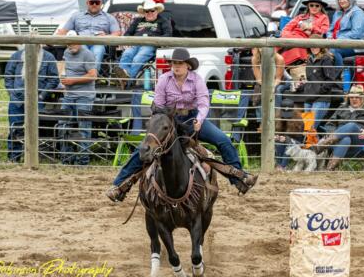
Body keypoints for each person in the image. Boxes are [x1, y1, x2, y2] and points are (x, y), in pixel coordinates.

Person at [105, 48, 258, 202]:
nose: (176, 66)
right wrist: (162, 122)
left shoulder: (197, 79)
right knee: (143, 149)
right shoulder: (164, 79)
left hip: (192, 118)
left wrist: (199, 119)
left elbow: (204, 103)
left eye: (180, 63)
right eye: (174, 63)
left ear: (188, 66)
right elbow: (158, 105)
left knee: (223, 140)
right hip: (169, 120)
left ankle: (239, 178)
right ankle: (119, 186)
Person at [4, 47, 59, 162]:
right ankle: (14, 158)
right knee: (15, 128)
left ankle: (35, 158)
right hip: (17, 99)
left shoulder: (48, 57)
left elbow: (54, 79)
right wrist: (12, 93)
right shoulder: (16, 55)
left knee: (36, 128)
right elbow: (8, 76)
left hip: (37, 99)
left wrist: (42, 96)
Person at [314, 85, 364, 170]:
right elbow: (329, 124)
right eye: (352, 97)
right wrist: (331, 131)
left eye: (357, 97)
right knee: (345, 139)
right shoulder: (343, 108)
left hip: (360, 143)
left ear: (363, 98)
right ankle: (330, 169)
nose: (354, 99)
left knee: (351, 125)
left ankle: (322, 145)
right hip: (338, 143)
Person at [57, 0, 121, 74]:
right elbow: (63, 32)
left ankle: (90, 77)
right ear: (87, 3)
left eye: (97, 2)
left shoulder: (109, 17)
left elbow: (117, 33)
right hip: (81, 42)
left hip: (99, 43)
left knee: (98, 50)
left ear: (101, 3)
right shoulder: (76, 16)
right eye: (92, 2)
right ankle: (85, 76)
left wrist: (106, 36)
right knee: (82, 49)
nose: (94, 4)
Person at [114, 0, 172, 88]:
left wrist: (154, 40)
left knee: (137, 58)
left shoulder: (163, 21)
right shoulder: (138, 20)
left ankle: (126, 81)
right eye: (146, 11)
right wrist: (133, 40)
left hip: (150, 45)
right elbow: (127, 34)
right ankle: (125, 80)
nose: (149, 13)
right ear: (144, 12)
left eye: (152, 10)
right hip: (135, 44)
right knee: (126, 54)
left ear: (156, 11)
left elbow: (168, 35)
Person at [59, 31, 97, 165]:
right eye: (68, 42)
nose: (70, 45)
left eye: (73, 42)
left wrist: (73, 81)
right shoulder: (66, 52)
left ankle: (83, 161)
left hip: (84, 96)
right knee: (62, 126)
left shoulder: (87, 53)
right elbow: (64, 67)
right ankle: (66, 159)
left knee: (84, 128)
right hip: (68, 95)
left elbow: (93, 75)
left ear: (80, 41)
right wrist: (62, 79)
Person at [279, 0, 330, 67]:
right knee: (274, 46)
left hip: (307, 41)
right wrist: (287, 36)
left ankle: (283, 69)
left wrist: (311, 27)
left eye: (317, 5)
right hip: (290, 38)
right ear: (308, 6)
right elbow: (286, 29)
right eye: (311, 5)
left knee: (296, 47)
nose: (314, 7)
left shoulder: (323, 18)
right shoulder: (300, 17)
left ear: (321, 7)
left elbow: (324, 32)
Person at [301, 34, 337, 131]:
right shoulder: (309, 59)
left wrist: (319, 90)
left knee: (311, 127)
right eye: (312, 45)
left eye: (316, 44)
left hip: (321, 98)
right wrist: (304, 84)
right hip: (309, 98)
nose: (314, 47)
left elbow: (330, 79)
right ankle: (314, 145)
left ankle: (309, 146)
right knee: (308, 128)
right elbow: (311, 79)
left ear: (321, 46)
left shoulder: (326, 59)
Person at [327, 0, 364, 68]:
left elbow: (356, 33)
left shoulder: (357, 12)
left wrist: (338, 39)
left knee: (333, 51)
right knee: (317, 50)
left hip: (353, 44)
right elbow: (330, 29)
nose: (341, 1)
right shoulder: (337, 12)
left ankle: (339, 76)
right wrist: (329, 37)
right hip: (334, 43)